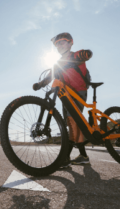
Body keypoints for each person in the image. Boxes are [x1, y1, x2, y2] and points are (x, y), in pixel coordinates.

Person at [33, 32, 92, 168]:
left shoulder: (74, 55)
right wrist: (40, 84)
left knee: (72, 122)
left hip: (79, 92)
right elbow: (50, 76)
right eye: (57, 44)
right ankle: (83, 156)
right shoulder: (58, 63)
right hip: (67, 95)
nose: (59, 45)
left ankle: (65, 159)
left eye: (62, 42)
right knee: (73, 123)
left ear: (71, 43)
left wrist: (86, 54)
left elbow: (85, 54)